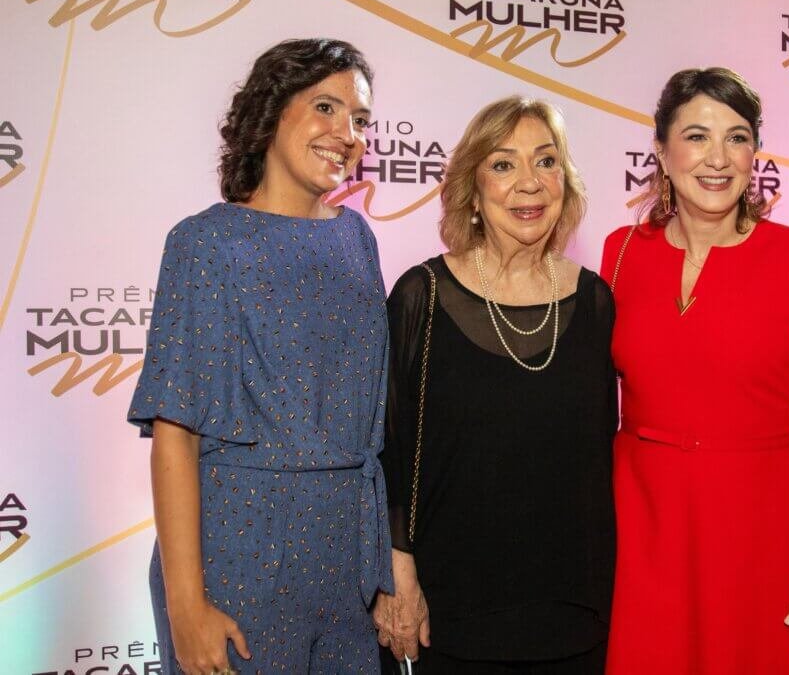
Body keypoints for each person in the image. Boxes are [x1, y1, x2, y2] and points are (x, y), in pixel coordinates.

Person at [127, 39, 392, 675]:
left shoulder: (357, 238)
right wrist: (186, 606)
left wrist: (384, 569)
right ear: (272, 111)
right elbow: (175, 433)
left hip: (347, 559)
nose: (346, 134)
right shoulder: (206, 243)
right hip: (240, 553)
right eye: (325, 107)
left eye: (359, 119)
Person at [600, 67, 789, 673]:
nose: (718, 158)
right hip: (645, 527)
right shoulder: (621, 252)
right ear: (661, 152)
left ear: (755, 153)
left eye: (737, 137)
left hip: (760, 524)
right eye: (696, 136)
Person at [374, 96, 616, 674]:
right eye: (503, 164)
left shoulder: (595, 300)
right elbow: (388, 452)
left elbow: (600, 459)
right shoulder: (421, 296)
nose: (529, 183)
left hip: (574, 610)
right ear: (473, 190)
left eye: (546, 161)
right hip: (450, 614)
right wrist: (396, 576)